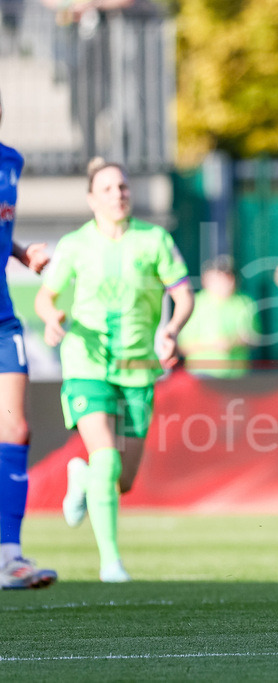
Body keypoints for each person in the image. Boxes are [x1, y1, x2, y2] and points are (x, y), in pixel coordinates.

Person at [34, 157, 194, 583]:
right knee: (105, 456)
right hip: (86, 364)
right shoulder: (74, 245)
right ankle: (111, 563)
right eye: (107, 188)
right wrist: (51, 317)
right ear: (91, 199)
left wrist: (172, 330)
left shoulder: (155, 239)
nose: (118, 194)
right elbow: (45, 298)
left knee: (121, 481)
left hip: (139, 370)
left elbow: (183, 295)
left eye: (122, 187)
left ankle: (80, 476)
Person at [0, 88, 58, 590]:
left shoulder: (10, 161)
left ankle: (9, 557)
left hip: (3, 320)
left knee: (16, 431)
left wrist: (21, 254)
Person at [178, 254, 259, 378]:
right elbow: (182, 346)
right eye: (219, 277)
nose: (226, 282)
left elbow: (255, 338)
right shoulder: (194, 304)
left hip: (237, 375)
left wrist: (235, 341)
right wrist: (213, 345)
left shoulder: (245, 302)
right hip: (203, 375)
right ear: (206, 279)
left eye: (228, 276)